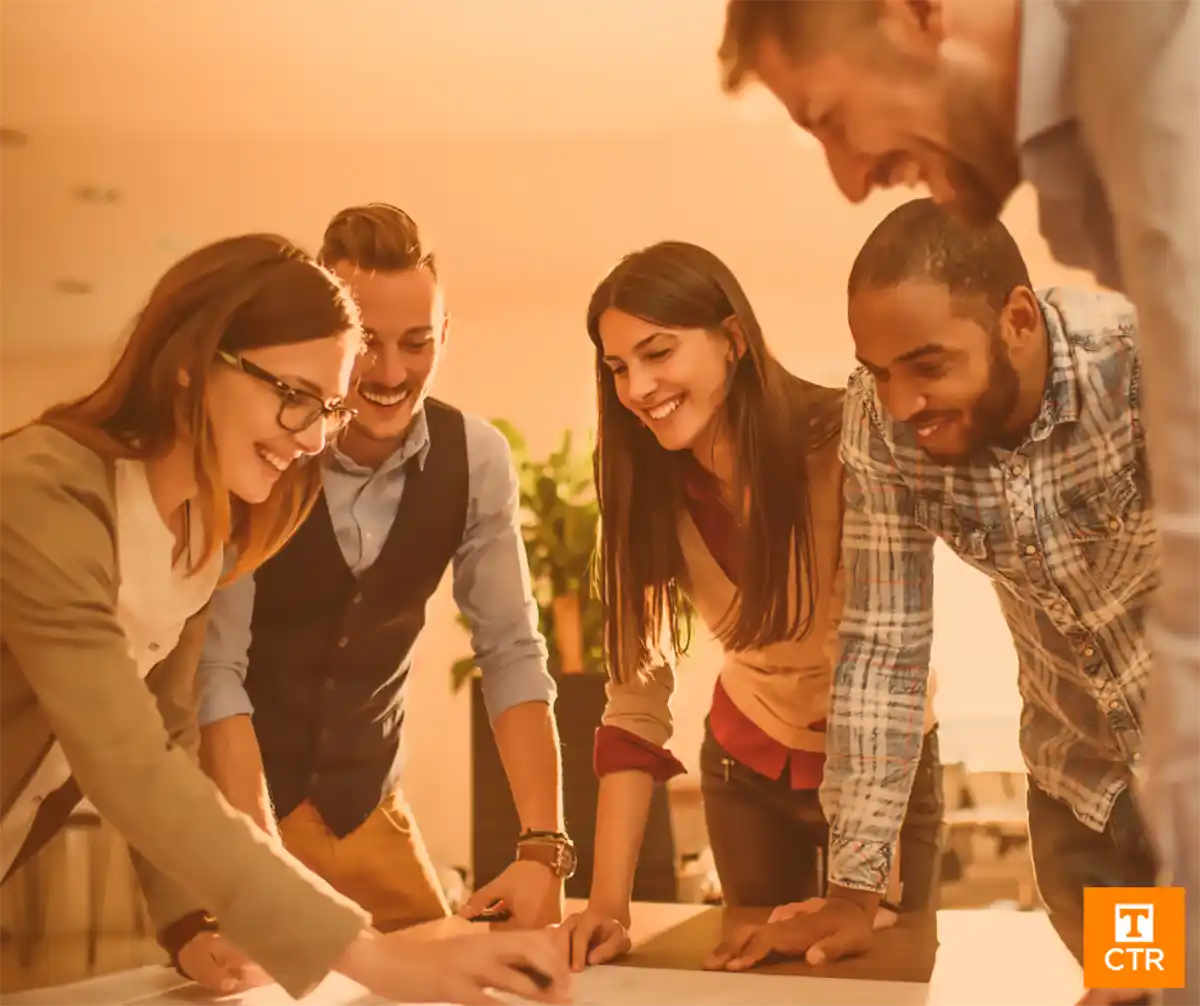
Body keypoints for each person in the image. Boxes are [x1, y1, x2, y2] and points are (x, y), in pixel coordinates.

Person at [715, 3, 1198, 1000]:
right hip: (1093, 805)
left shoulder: (1141, 360)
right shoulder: (886, 423)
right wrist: (854, 883)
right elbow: (885, 645)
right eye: (879, 371)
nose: (902, 402)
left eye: (928, 365)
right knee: (1138, 993)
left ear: (1018, 320)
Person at [0, 233, 571, 1006]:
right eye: (294, 396)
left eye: (326, 410)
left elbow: (169, 737)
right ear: (190, 366)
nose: (311, 440)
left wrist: (186, 926)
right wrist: (379, 959)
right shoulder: (43, 491)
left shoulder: (206, 537)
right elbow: (128, 765)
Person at [558, 239, 944, 972]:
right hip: (748, 768)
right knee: (758, 978)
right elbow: (635, 703)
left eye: (657, 353)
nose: (637, 387)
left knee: (872, 977)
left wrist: (859, 889)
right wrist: (607, 905)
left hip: (882, 763)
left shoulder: (848, 442)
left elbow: (880, 659)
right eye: (617, 368)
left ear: (732, 340)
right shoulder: (647, 487)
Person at [195, 204, 569, 943]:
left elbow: (512, 651)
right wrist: (256, 867)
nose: (391, 373)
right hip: (246, 814)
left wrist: (542, 848)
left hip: (374, 815)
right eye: (366, 344)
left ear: (445, 337)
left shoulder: (477, 461)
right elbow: (216, 674)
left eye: (417, 343)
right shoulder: (265, 450)